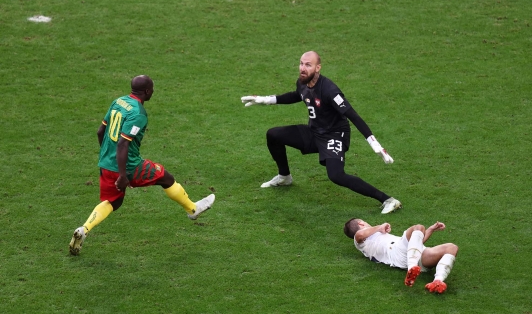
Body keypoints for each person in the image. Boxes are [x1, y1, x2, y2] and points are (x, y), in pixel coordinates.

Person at [69, 75, 215, 256]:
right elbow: (123, 144)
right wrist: (123, 175)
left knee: (113, 201)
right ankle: (193, 209)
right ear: (147, 91)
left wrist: (108, 158)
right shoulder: (138, 113)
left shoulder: (119, 101)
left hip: (106, 164)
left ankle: (84, 229)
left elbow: (101, 131)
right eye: (152, 89)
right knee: (165, 177)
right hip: (128, 166)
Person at [241, 51, 401, 214]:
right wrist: (266, 99)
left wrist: (374, 143)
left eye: (308, 65)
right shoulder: (303, 82)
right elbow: (297, 95)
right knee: (273, 134)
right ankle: (284, 177)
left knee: (336, 175)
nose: (303, 68)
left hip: (335, 135)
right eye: (301, 63)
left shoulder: (330, 90)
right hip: (314, 132)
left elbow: (353, 116)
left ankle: (388, 200)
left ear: (318, 68)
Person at [343, 218, 458, 293]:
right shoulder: (360, 241)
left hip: (416, 255)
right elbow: (360, 233)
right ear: (360, 223)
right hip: (396, 252)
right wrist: (379, 227)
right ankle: (412, 267)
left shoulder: (377, 236)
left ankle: (437, 282)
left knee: (451, 247)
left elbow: (417, 242)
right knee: (418, 227)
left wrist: (431, 229)